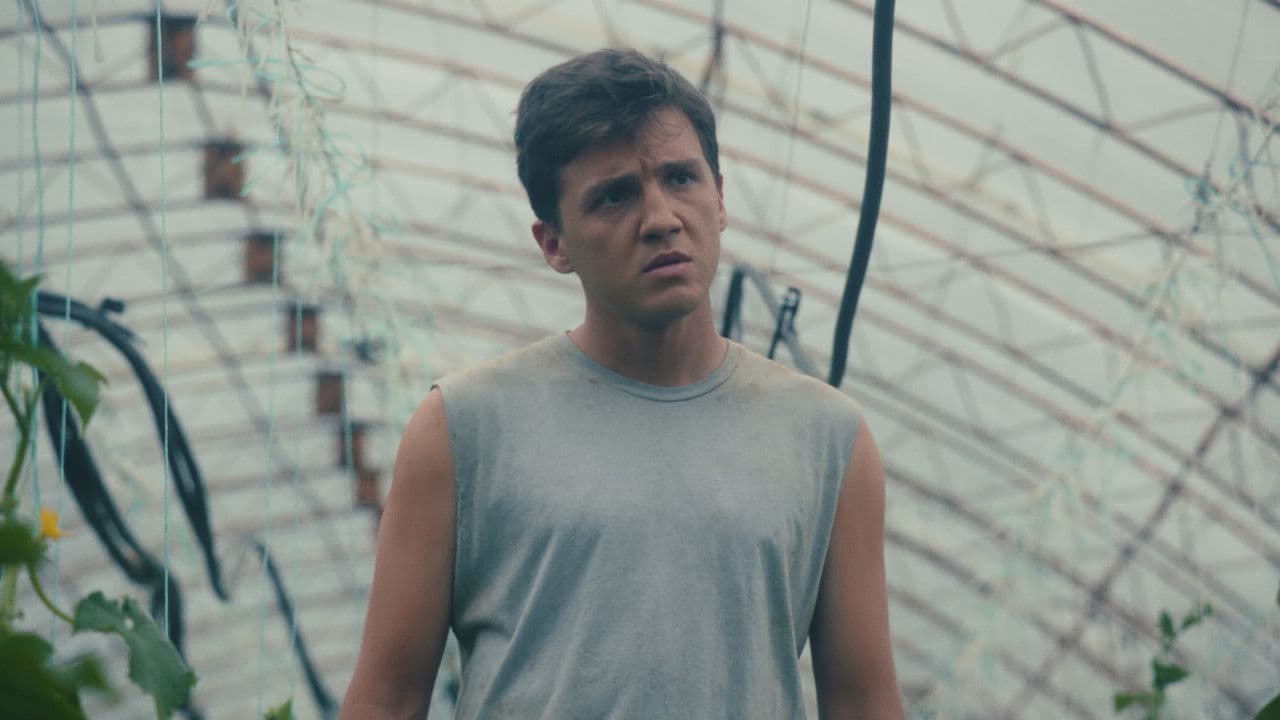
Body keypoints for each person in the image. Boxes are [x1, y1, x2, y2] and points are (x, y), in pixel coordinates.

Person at [340, 48, 903, 719]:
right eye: (615, 195)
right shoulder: (462, 429)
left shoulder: (828, 438)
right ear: (553, 243)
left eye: (681, 178)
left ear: (721, 199)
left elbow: (863, 702)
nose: (661, 218)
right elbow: (387, 700)